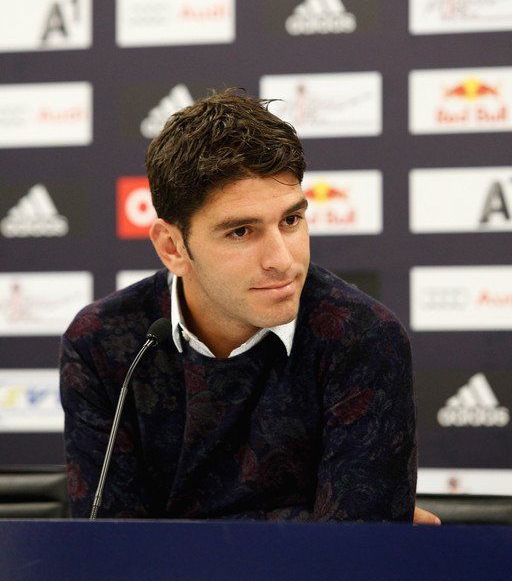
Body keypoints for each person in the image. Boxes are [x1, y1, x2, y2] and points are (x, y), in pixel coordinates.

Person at [60, 90, 420, 521]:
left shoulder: (360, 336)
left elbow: (350, 550)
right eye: (241, 232)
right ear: (172, 247)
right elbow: (110, 547)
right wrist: (298, 519)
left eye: (291, 220)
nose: (282, 260)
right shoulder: (105, 342)